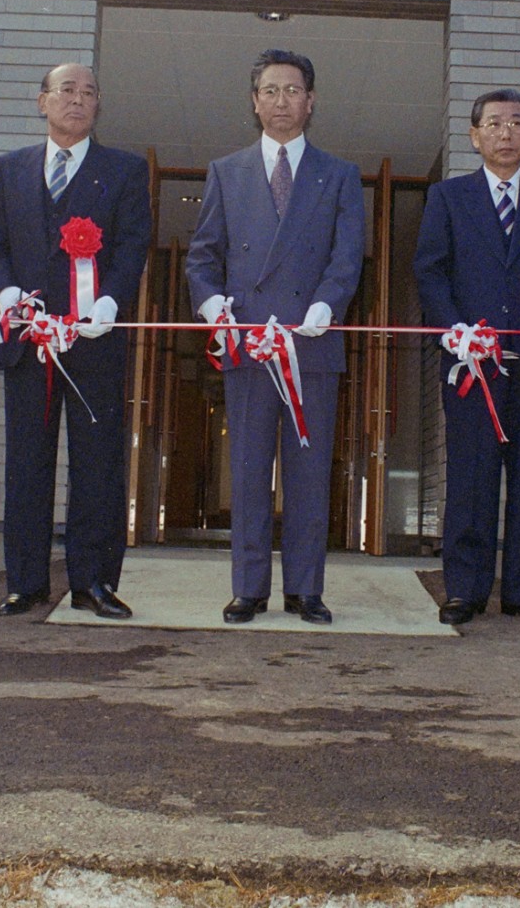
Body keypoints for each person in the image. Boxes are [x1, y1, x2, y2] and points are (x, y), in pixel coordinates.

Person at [188, 48, 365, 625]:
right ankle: (249, 587)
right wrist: (215, 308)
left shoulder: (338, 174)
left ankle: (306, 590)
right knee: (247, 469)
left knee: (309, 475)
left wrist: (325, 305)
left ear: (310, 102)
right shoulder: (226, 170)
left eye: (292, 91)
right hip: (247, 346)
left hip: (311, 344)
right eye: (270, 90)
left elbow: (346, 257)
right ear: (254, 100)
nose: (281, 101)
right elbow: (203, 256)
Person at [0, 63, 152, 619]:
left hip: (94, 340)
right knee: (27, 462)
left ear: (99, 106)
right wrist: (5, 295)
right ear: (42, 101)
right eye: (66, 91)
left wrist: (111, 301)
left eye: (89, 93)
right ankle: (25, 582)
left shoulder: (123, 170)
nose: (77, 100)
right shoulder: (10, 169)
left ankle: (93, 583)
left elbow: (131, 245)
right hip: (29, 340)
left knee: (97, 464)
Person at [413, 88, 520, 628]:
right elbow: (430, 271)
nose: (506, 132)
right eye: (494, 123)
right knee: (471, 476)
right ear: (475, 135)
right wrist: (453, 330)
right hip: (471, 364)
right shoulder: (448, 197)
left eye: (517, 123)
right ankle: (464, 590)